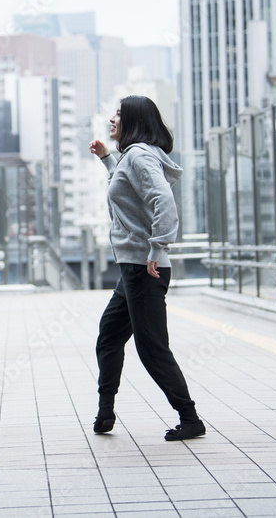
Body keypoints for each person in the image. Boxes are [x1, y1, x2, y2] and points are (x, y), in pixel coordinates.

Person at [88, 95, 205, 441]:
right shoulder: (131, 157)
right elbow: (128, 193)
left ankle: (190, 417)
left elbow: (162, 200)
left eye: (119, 114)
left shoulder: (138, 155)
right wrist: (107, 159)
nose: (112, 119)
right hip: (133, 268)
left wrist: (158, 245)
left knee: (151, 347)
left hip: (144, 267)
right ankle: (105, 411)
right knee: (109, 335)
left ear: (134, 120)